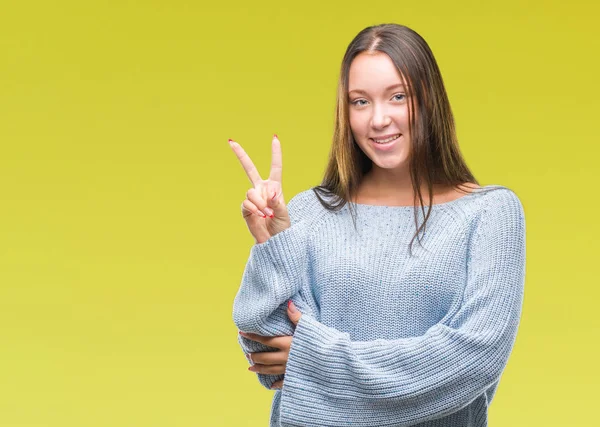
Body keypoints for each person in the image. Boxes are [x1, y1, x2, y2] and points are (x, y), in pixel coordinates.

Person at [228, 23, 526, 427]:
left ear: (428, 100)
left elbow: (471, 361)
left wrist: (317, 361)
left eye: (397, 96)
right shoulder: (309, 211)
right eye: (360, 102)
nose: (379, 119)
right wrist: (273, 244)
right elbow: (268, 359)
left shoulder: (489, 214)